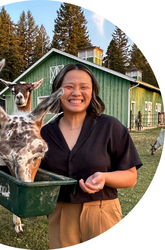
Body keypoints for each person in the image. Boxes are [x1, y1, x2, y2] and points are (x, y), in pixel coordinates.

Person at [40, 63, 143, 248]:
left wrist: (104, 177)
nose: (76, 93)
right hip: (61, 214)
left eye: (84, 87)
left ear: (93, 91)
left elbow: (131, 176)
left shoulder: (110, 127)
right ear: (57, 91)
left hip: (103, 213)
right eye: (69, 87)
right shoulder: (43, 134)